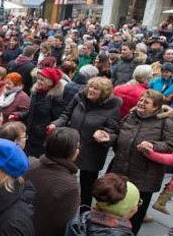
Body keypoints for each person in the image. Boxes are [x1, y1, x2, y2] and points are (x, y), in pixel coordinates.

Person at [101, 90, 173, 234]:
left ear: (156, 107)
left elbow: (171, 145)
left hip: (145, 175)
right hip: (120, 168)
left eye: (146, 102)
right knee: (114, 204)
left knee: (136, 211)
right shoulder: (130, 116)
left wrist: (153, 145)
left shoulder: (165, 122)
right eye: (140, 100)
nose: (141, 103)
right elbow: (118, 134)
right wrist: (109, 138)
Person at [50, 77, 121, 206]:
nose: (91, 90)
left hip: (92, 150)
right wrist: (56, 124)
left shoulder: (112, 107)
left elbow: (112, 129)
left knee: (87, 185)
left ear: (104, 93)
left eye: (96, 88)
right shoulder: (79, 97)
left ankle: (84, 210)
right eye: (90, 86)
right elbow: (66, 114)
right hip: (73, 146)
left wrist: (104, 134)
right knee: (64, 177)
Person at [19, 67, 65, 156]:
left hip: (42, 137)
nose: (39, 81)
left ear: (50, 82)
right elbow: (31, 112)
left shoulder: (55, 98)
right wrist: (19, 115)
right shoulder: (36, 92)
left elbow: (58, 117)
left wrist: (53, 126)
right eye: (38, 79)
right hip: (30, 133)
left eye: (42, 80)